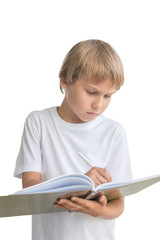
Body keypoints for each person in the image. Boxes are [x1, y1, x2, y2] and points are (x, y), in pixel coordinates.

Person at [14, 39, 132, 240]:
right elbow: (30, 188)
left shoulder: (114, 133)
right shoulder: (39, 123)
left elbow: (117, 203)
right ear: (65, 80)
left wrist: (98, 211)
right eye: (91, 92)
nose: (98, 105)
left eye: (108, 96)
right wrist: (76, 187)